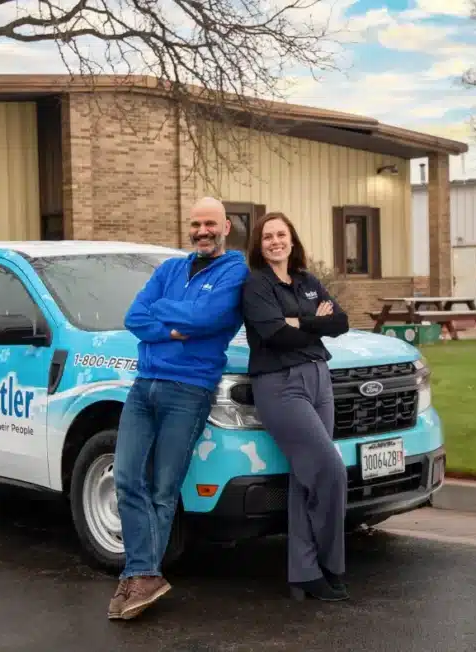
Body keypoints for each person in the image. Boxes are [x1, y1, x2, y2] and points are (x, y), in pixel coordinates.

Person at [108, 197, 249, 621]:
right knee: (127, 478)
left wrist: (168, 320)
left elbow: (209, 317)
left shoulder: (235, 269)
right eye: (195, 224)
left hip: (189, 390)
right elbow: (134, 316)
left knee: (163, 489)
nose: (202, 231)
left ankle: (140, 574)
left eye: (210, 223)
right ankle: (145, 574)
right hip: (143, 386)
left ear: (226, 226)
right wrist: (177, 327)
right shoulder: (169, 268)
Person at [240, 211, 350, 602]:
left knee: (305, 478)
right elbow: (274, 334)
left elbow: (341, 322)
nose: (275, 241)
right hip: (280, 384)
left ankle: (304, 574)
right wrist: (310, 321)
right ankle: (332, 562)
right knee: (330, 469)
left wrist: (298, 321)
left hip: (320, 379)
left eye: (281, 234)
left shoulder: (307, 281)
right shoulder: (255, 284)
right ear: (259, 243)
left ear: (291, 239)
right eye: (267, 236)